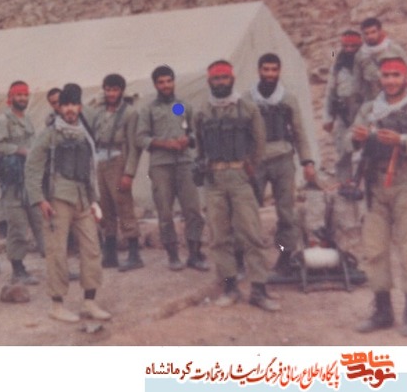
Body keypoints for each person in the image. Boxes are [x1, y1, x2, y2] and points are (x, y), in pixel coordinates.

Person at [194, 60, 280, 311]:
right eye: (216, 79)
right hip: (214, 181)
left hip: (240, 178)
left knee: (251, 234)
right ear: (209, 81)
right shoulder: (203, 111)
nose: (220, 82)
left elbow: (259, 145)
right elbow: (199, 147)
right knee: (219, 237)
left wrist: (247, 168)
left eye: (224, 78)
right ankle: (229, 288)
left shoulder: (248, 108)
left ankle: (259, 289)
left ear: (232, 79)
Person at [25, 83, 111, 322]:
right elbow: (32, 169)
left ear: (80, 107)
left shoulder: (85, 135)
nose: (70, 109)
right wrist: (40, 200)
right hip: (57, 200)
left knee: (92, 249)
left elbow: (90, 169)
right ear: (59, 108)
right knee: (57, 252)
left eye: (74, 104)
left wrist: (94, 200)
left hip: (83, 199)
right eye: (66, 105)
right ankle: (57, 304)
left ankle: (89, 301)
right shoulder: (49, 135)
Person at [347, 57, 407, 336]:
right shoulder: (369, 108)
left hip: (406, 183)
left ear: (406, 78)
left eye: (396, 75)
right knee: (375, 249)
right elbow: (348, 140)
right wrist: (358, 138)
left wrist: (402, 141)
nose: (391, 81)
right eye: (386, 75)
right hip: (375, 185)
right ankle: (383, 311)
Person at [242, 53, 316, 275]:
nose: (270, 74)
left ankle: (285, 255)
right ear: (259, 71)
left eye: (274, 70)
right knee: (248, 211)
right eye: (266, 70)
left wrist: (307, 161)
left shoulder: (287, 99)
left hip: (283, 159)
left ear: (279, 71)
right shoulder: (247, 99)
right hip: (255, 161)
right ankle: (248, 256)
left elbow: (299, 131)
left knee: (286, 212)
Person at [135, 65, 207, 271]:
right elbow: (141, 137)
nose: (166, 86)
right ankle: (173, 255)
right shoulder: (149, 110)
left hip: (184, 163)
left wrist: (187, 140)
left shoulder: (182, 106)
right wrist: (164, 143)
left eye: (169, 81)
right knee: (165, 212)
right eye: (161, 82)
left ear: (174, 82)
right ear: (155, 85)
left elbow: (195, 132)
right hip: (161, 166)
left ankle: (194, 253)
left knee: (192, 210)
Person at [0, 81, 44, 284]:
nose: (22, 98)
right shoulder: (3, 121)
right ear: (10, 97)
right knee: (18, 227)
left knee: (41, 222)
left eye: (25, 95)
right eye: (18, 95)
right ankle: (18, 269)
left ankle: (57, 265)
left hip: (30, 180)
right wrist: (18, 150)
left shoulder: (27, 120)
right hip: (13, 184)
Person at [88, 74, 144, 271]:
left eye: (115, 90)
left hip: (119, 161)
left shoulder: (129, 113)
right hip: (102, 161)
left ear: (121, 91)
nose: (111, 93)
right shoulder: (99, 112)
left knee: (124, 205)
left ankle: (134, 253)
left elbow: (134, 146)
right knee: (106, 207)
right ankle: (110, 253)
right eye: (108, 89)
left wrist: (129, 173)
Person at [322, 30, 363, 182]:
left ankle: (364, 185)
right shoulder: (337, 64)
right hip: (343, 113)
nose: (350, 49)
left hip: (363, 112)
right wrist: (327, 117)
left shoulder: (366, 61)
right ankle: (344, 184)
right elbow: (330, 91)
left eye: (354, 46)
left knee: (365, 151)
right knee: (342, 150)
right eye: (346, 46)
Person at [353, 17, 407, 103]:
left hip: (398, 99)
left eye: (373, 32)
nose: (370, 36)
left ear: (380, 31)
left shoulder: (394, 49)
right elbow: (358, 82)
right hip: (374, 100)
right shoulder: (360, 55)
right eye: (366, 33)